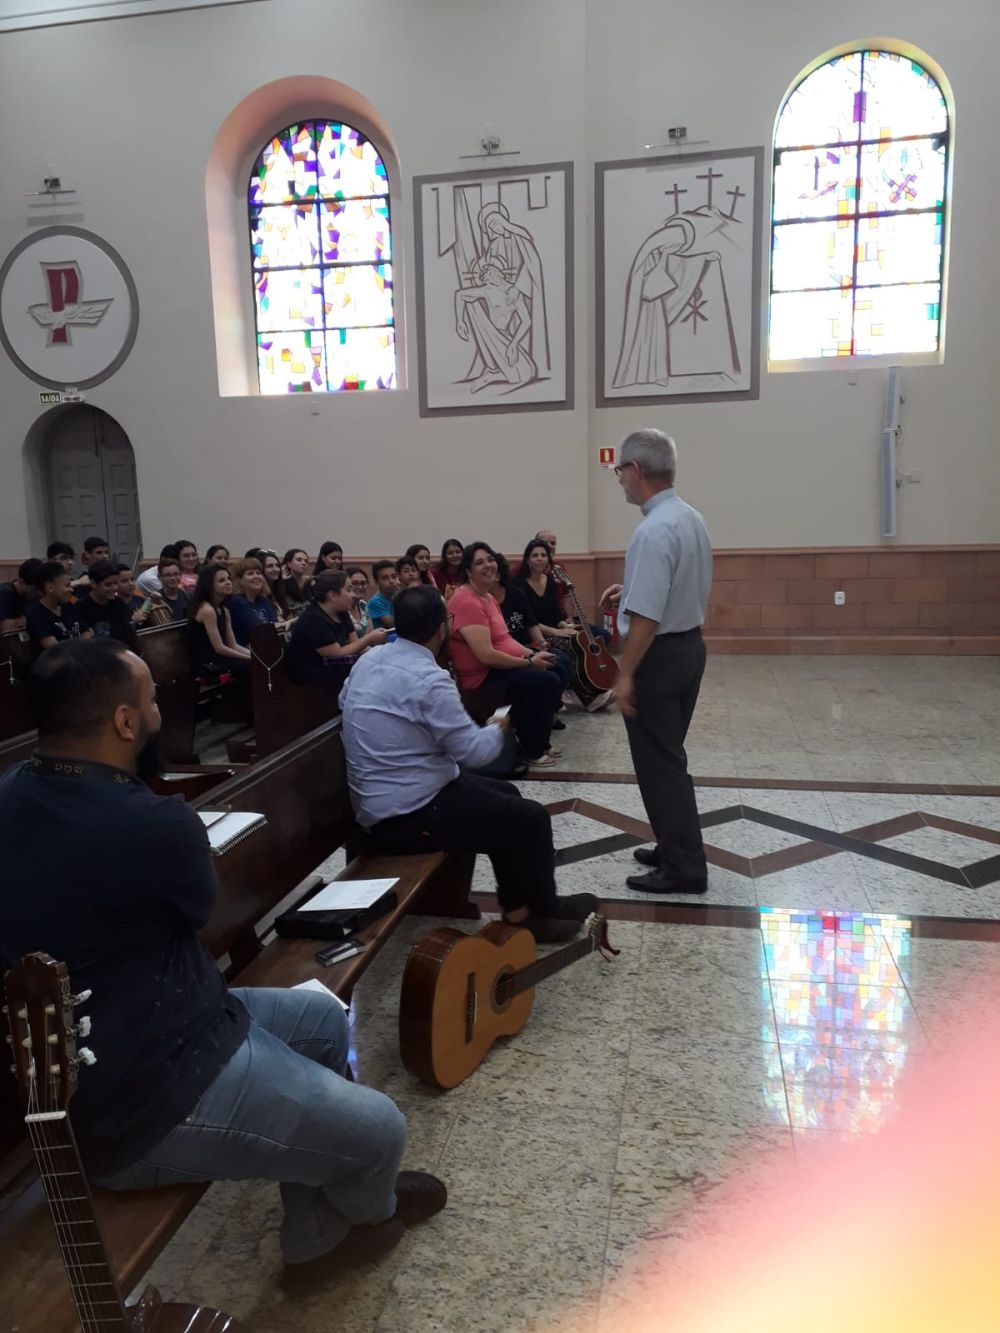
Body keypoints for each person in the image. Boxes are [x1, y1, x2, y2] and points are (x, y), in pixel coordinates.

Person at [0, 638, 446, 1289]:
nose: (157, 711)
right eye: (152, 699)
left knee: (323, 1019)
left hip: (164, 1020)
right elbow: (197, 912)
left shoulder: (13, 793)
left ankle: (316, 1234)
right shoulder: (151, 822)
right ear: (124, 722)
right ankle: (365, 1214)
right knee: (383, 1130)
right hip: (146, 1099)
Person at [341, 586, 596, 943]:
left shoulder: (369, 660)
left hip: (389, 796)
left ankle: (518, 910)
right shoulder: (429, 679)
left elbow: (346, 701)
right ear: (440, 629)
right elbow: (475, 753)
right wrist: (499, 725)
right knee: (531, 818)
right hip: (405, 815)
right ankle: (543, 912)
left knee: (506, 797)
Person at [600, 428, 713, 894]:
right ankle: (672, 845)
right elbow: (675, 584)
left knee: (660, 766)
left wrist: (625, 674)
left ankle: (685, 868)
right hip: (688, 648)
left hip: (658, 657)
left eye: (619, 471)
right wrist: (630, 591)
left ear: (635, 470)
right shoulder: (689, 517)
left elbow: (646, 619)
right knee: (667, 757)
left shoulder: (651, 531)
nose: (619, 480)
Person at [448, 542, 561, 768]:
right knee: (546, 681)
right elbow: (486, 656)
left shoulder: (487, 597)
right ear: (468, 570)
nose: (488, 565)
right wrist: (528, 662)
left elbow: (505, 639)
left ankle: (539, 739)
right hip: (482, 678)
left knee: (559, 664)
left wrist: (534, 652)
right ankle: (532, 749)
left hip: (499, 667)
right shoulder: (466, 601)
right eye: (480, 562)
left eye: (490, 560)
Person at [516, 539, 612, 712]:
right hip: (535, 634)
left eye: (543, 555)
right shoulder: (519, 585)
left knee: (594, 635)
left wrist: (564, 625)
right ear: (528, 560)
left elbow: (556, 614)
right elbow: (528, 621)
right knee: (573, 646)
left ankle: (594, 685)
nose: (539, 559)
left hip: (555, 628)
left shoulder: (549, 581)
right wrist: (556, 631)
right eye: (535, 555)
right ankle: (587, 696)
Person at [286, 571, 386, 702]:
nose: (353, 594)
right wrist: (369, 638)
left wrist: (380, 655)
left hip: (335, 664)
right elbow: (336, 653)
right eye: (349, 590)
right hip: (313, 672)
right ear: (333, 595)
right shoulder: (314, 619)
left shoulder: (342, 611)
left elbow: (356, 644)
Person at [493, 553, 572, 705]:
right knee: (551, 674)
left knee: (562, 661)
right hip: (509, 653)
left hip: (528, 645)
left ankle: (554, 705)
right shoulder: (484, 601)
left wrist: (543, 646)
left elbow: (531, 624)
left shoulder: (515, 594)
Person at [189, 562, 250, 677]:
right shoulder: (207, 610)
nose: (228, 582)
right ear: (210, 586)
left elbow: (233, 645)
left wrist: (254, 655)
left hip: (222, 660)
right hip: (210, 665)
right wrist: (250, 659)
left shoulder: (224, 610)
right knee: (253, 666)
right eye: (222, 580)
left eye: (228, 579)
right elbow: (219, 648)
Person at [75, 560, 139, 648]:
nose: (114, 588)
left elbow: (127, 636)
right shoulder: (80, 607)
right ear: (93, 583)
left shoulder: (119, 603)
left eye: (116, 583)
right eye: (108, 585)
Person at [26, 561, 87, 650]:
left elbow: (86, 633)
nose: (71, 590)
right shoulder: (35, 614)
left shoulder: (71, 603)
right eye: (67, 585)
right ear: (50, 587)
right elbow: (55, 649)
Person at [228, 557, 278, 647]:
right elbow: (256, 630)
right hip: (246, 651)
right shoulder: (236, 601)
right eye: (250, 574)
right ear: (240, 580)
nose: (256, 576)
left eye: (258, 573)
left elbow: (274, 624)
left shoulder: (264, 600)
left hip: (266, 648)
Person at [0, 558, 43, 632]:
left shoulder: (33, 594)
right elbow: (6, 628)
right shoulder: (4, 593)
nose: (39, 593)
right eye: (35, 589)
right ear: (21, 581)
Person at [145, 556, 189, 625]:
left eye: (176, 574)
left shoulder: (188, 597)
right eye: (167, 575)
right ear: (159, 577)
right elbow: (140, 620)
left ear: (180, 575)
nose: (172, 578)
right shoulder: (151, 599)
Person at [367, 560, 399, 628]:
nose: (391, 581)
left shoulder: (394, 597)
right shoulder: (375, 601)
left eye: (394, 576)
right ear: (377, 582)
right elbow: (392, 625)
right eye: (385, 578)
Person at [282, 548, 311, 615]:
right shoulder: (282, 582)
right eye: (299, 560)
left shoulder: (310, 581)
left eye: (306, 561)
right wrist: (280, 580)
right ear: (289, 563)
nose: (303, 563)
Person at [346, 566, 371, 635]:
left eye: (363, 583)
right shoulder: (342, 608)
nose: (360, 587)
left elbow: (370, 632)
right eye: (355, 583)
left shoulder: (363, 605)